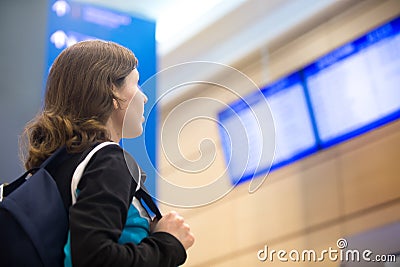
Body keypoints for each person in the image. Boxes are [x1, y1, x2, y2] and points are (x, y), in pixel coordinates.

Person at [21, 40, 194, 266]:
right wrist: (169, 243)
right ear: (112, 90)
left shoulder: (55, 166)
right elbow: (96, 258)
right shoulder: (108, 160)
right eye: (137, 83)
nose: (144, 97)